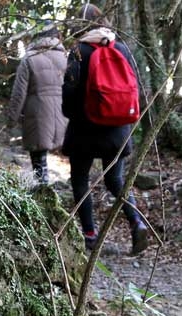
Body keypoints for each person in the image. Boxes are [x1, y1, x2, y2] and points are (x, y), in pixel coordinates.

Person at [61, 4, 148, 254]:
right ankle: (136, 222)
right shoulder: (121, 48)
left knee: (80, 179)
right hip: (117, 127)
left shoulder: (79, 50)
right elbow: (136, 89)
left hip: (84, 127)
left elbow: (69, 89)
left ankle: (89, 235)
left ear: (81, 24)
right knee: (115, 179)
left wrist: (71, 114)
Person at [7, 22, 68, 185]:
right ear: (56, 36)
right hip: (62, 114)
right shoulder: (65, 57)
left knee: (39, 161)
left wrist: (11, 120)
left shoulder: (29, 59)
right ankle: (50, 196)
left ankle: (43, 197)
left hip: (38, 115)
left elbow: (19, 93)